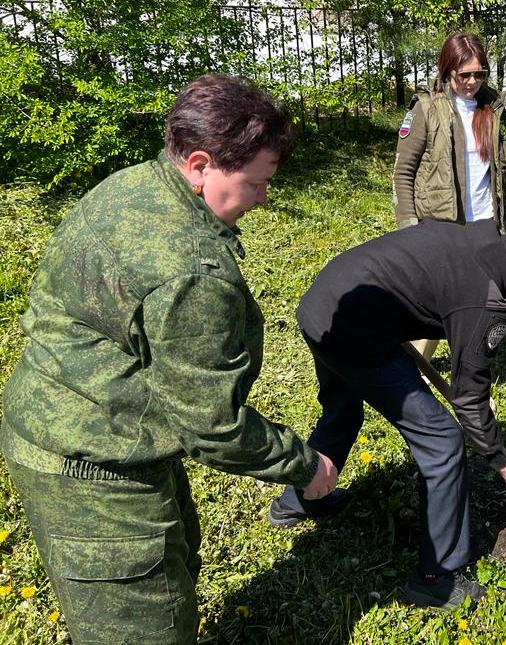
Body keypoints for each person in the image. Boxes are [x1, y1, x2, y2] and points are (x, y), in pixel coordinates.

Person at [0, 74, 339, 644]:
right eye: (257, 182)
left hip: (76, 421)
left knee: (170, 576)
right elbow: (213, 425)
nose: (263, 198)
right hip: (95, 468)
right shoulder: (191, 271)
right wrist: (306, 467)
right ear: (201, 165)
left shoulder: (135, 184)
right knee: (145, 625)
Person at [268, 220, 506, 608]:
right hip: (354, 330)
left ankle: (298, 499)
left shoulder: (482, 240)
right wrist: (502, 462)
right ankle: (435, 579)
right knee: (444, 443)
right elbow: (469, 397)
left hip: (325, 303)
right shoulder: (484, 302)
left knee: (343, 408)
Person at [392, 31, 506, 362]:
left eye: (479, 74)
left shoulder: (493, 108)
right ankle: (415, 367)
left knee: (483, 304)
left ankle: (473, 369)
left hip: (484, 223)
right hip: (441, 224)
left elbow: (499, 175)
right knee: (437, 301)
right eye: (464, 75)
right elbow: (403, 173)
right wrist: (409, 229)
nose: (472, 82)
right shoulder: (426, 109)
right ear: (447, 71)